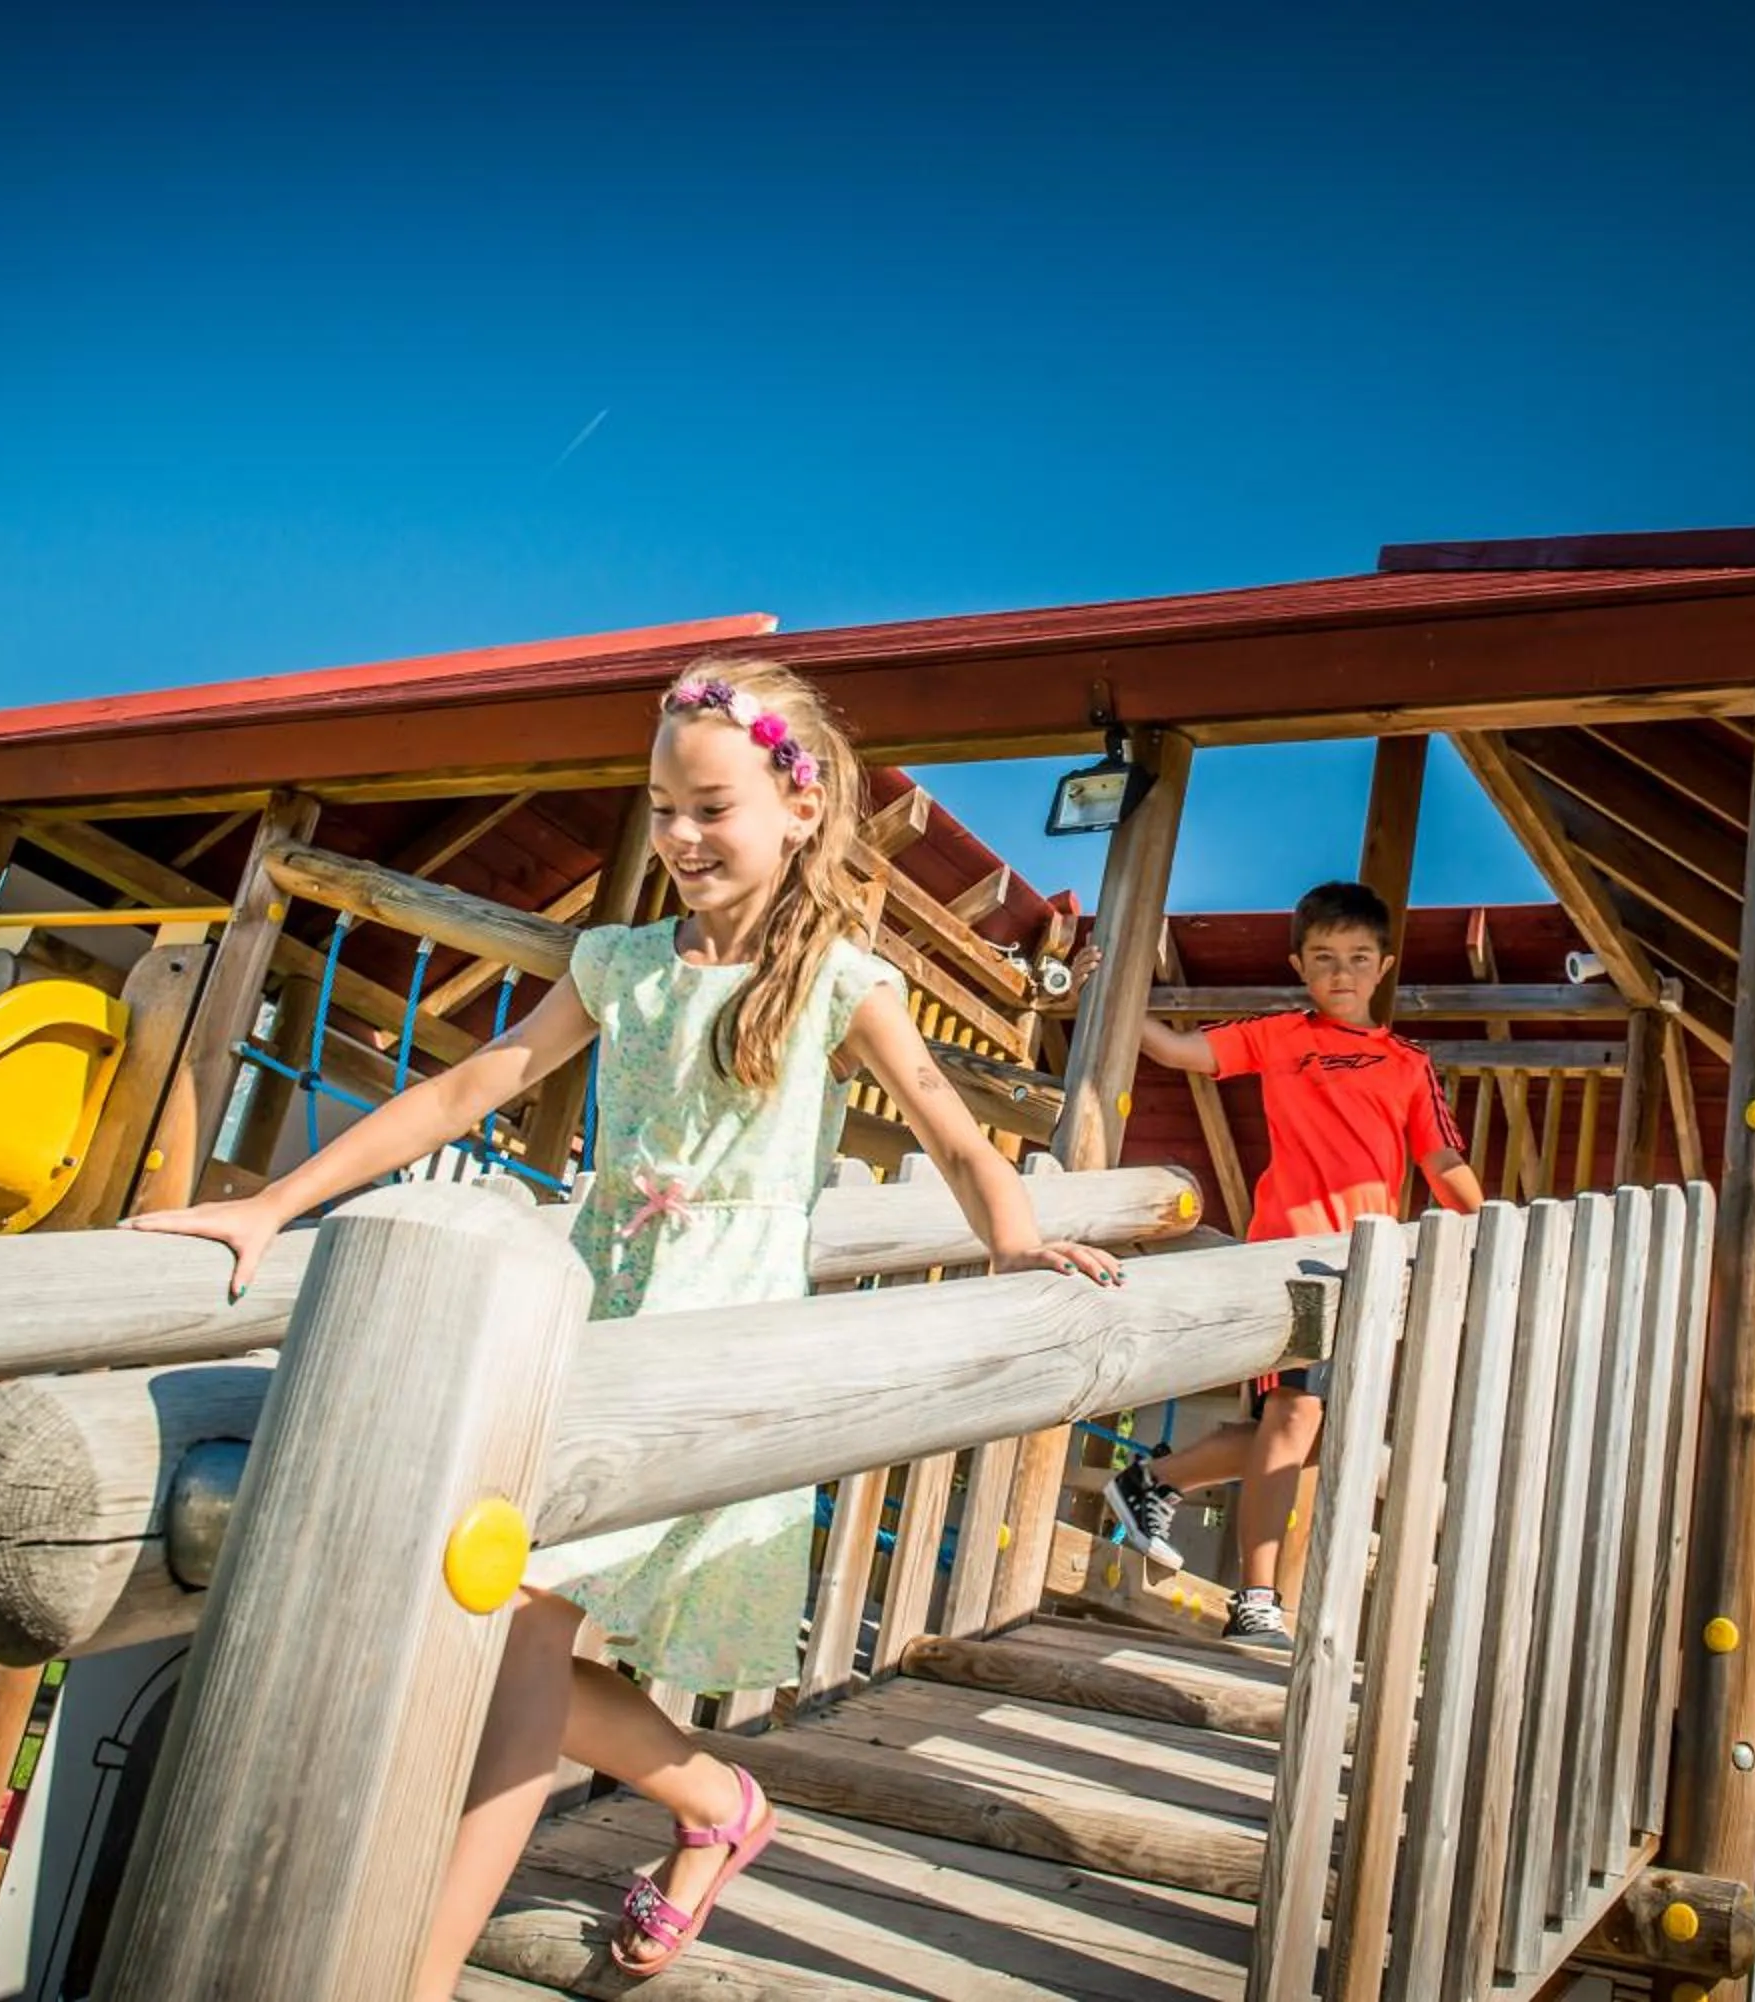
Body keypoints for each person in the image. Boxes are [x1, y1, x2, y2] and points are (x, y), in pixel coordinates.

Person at [127, 660, 1124, 1995]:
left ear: (798, 805)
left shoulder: (838, 977)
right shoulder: (620, 963)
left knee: (516, 1615)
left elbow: (954, 1128)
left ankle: (417, 1968)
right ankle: (717, 1798)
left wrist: (1015, 1244)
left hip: (713, 1360)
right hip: (591, 1331)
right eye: (662, 807)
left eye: (710, 804)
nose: (681, 836)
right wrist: (274, 1207)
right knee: (495, 1617)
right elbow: (474, 1082)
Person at [1089, 881, 1482, 1646]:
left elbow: (1441, 1161)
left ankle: (1153, 1480)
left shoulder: (1407, 1065)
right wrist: (1112, 985)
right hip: (1291, 1261)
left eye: (1359, 959)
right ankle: (1258, 1601)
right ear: (1300, 964)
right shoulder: (1278, 1035)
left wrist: (1499, 1226)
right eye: (1326, 958)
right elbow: (1178, 1052)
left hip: (1366, 1274)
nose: (1342, 973)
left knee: (1317, 1436)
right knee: (1295, 1414)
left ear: (1384, 967)